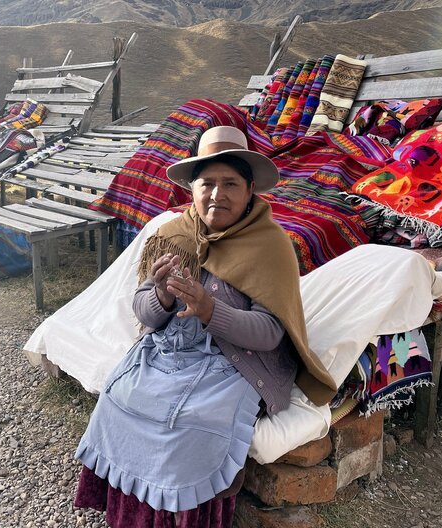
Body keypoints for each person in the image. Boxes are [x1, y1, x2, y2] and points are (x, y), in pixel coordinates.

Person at [73, 126, 337, 528]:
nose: (217, 194)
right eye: (207, 183)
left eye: (230, 183)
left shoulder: (270, 245)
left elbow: (270, 333)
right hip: (169, 353)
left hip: (233, 363)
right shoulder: (172, 234)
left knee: (192, 424)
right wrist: (160, 295)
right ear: (192, 190)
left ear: (250, 190)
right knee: (119, 397)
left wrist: (211, 310)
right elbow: (144, 312)